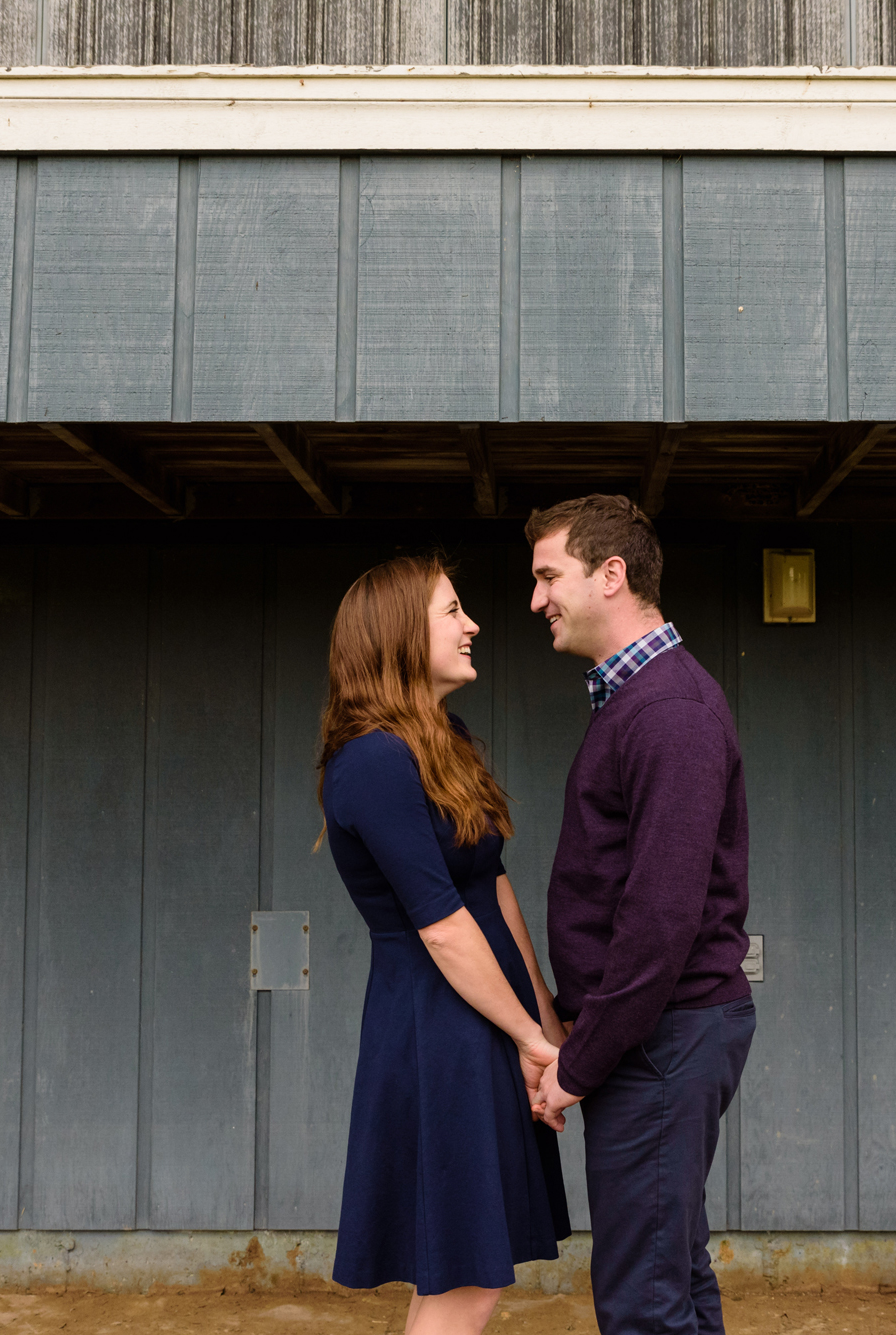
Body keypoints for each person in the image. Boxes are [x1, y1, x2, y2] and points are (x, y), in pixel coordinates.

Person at [318, 554, 571, 1335]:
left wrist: (545, 1020)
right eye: (452, 611)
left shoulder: (442, 738)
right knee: (468, 1276)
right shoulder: (372, 759)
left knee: (463, 1275)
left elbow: (492, 885)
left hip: (485, 1020)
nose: (474, 625)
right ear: (397, 635)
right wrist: (527, 1034)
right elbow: (440, 923)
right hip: (438, 1030)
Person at [524, 494, 755, 1335]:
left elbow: (660, 919)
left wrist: (580, 1063)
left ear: (611, 574)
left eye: (550, 575)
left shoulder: (669, 710)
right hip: (658, 1039)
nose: (537, 597)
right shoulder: (642, 700)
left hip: (661, 1041)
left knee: (644, 1303)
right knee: (671, 1273)